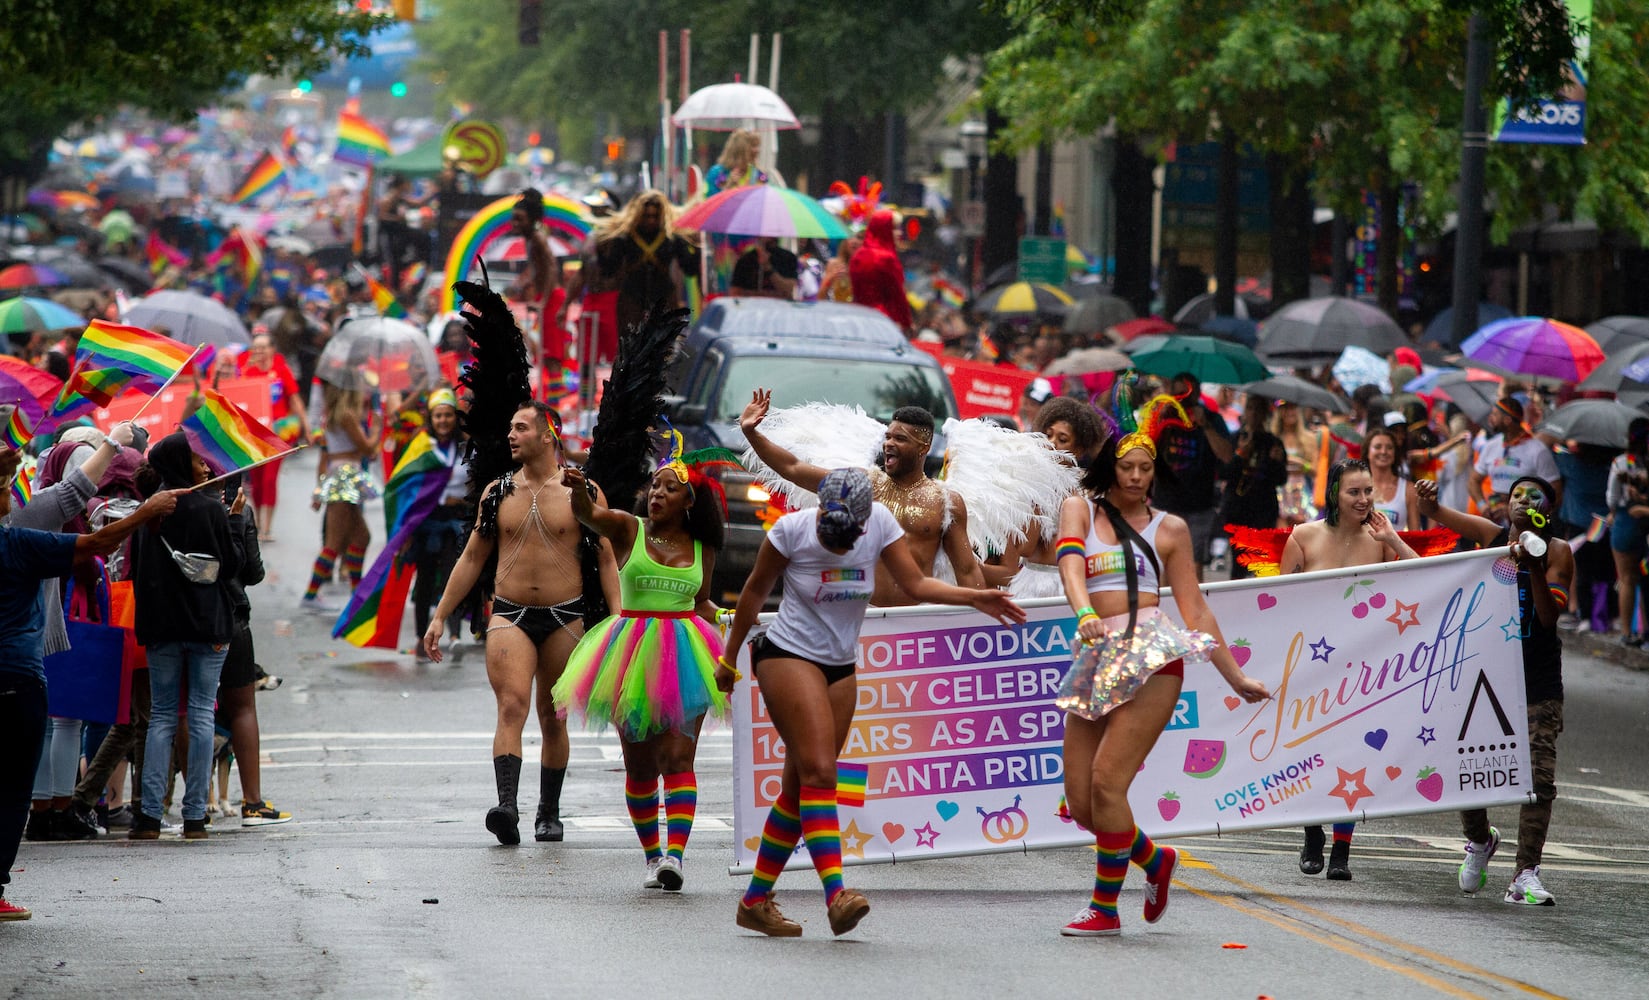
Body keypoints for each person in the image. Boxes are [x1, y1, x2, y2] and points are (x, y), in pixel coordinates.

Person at [719, 467, 1025, 937]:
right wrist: (729, 658)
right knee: (821, 773)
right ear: (818, 511)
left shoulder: (880, 522)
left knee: (800, 788)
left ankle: (754, 901)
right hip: (785, 655)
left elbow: (917, 585)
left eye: (847, 538)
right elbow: (754, 593)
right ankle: (836, 894)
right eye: (830, 535)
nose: (839, 546)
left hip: (840, 665)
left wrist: (975, 597)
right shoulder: (790, 531)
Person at [1053, 415, 1270, 936]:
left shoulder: (1169, 529)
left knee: (1108, 782)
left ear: (1155, 473)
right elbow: (1069, 565)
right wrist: (1083, 613)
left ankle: (1104, 909)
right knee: (1083, 803)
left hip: (1153, 653)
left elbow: (1195, 609)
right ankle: (1154, 861)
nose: (1134, 477)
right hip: (1097, 652)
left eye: (1145, 469)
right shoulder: (1077, 508)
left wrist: (1233, 675)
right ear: (1110, 466)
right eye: (1126, 467)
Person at [423, 403, 618, 845]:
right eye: (510, 427)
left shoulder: (581, 491)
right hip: (509, 615)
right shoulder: (497, 492)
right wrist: (440, 616)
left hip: (565, 617)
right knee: (512, 706)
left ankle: (548, 812)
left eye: (521, 427)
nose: (511, 434)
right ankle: (507, 806)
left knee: (553, 717)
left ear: (548, 435)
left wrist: (619, 618)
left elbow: (606, 557)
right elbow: (472, 557)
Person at [0, 447, 180, 920]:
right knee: (13, 789)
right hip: (16, 679)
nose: (10, 495)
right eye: (3, 488)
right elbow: (94, 547)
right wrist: (145, 512)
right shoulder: (16, 543)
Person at [553, 459, 727, 891]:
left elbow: (701, 601)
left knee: (679, 759)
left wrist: (734, 619)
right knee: (641, 765)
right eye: (654, 485)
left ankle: (675, 857)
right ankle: (653, 858)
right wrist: (577, 489)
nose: (657, 494)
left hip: (688, 657)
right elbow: (588, 515)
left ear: (689, 500)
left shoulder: (704, 547)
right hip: (629, 655)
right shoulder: (629, 529)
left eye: (669, 489)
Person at [1417, 475, 1573, 906]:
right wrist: (1428, 499)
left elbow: (1547, 618)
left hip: (1538, 684)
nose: (1522, 500)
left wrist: (1534, 564)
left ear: (1549, 509)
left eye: (1532, 496)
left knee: (1539, 780)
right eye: (1515, 495)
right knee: (1474, 772)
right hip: (1486, 683)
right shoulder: (1491, 539)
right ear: (1504, 506)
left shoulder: (1559, 552)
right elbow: (1436, 515)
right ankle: (1481, 842)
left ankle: (1525, 874)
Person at [1280, 458, 1419, 881]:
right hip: (1312, 668)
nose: (1362, 500)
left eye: (1368, 492)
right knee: (1310, 751)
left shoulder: (1380, 540)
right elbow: (1274, 605)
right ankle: (1312, 834)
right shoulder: (1303, 536)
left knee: (1354, 757)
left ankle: (1342, 849)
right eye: (1353, 492)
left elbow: (1424, 579)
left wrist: (1393, 539)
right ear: (1334, 495)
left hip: (1364, 669)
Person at [740, 389, 985, 605]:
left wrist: (983, 619)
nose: (889, 444)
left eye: (900, 439)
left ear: (924, 447)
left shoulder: (945, 501)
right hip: (861, 617)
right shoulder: (862, 484)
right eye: (888, 436)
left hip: (914, 623)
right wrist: (752, 433)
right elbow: (794, 468)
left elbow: (966, 570)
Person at [126, 434, 246, 841]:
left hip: (161, 628)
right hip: (208, 625)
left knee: (161, 716)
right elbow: (232, 566)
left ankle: (148, 817)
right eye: (198, 459)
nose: (207, 466)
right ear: (181, 461)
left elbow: (135, 569)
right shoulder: (211, 510)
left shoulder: (149, 511)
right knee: (200, 714)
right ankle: (195, 817)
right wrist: (232, 520)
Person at [211, 473, 289, 826]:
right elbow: (253, 572)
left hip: (181, 619)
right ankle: (252, 803)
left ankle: (188, 806)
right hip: (231, 619)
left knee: (184, 711)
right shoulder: (238, 508)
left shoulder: (174, 501)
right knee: (242, 707)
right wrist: (237, 521)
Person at [586, 191, 697, 366]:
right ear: (638, 215)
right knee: (629, 350)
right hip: (632, 296)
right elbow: (609, 270)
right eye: (646, 216)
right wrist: (601, 250)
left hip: (663, 296)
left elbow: (690, 269)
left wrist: (697, 247)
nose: (651, 220)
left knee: (664, 350)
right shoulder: (625, 237)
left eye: (655, 216)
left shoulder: (671, 238)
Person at [302, 384, 379, 613]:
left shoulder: (336, 417)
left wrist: (319, 489)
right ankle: (310, 594)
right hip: (345, 478)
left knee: (361, 537)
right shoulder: (346, 415)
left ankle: (356, 594)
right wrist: (377, 428)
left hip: (342, 476)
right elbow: (366, 447)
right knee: (334, 543)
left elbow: (328, 457)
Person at [1150, 375, 1234, 580]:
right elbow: (1146, 452)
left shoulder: (1212, 419)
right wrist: (1160, 420)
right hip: (1166, 502)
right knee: (1163, 562)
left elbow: (1227, 455)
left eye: (1186, 395)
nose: (1182, 400)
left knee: (1193, 564)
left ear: (1197, 394)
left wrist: (1205, 425)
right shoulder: (1163, 417)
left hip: (1198, 505)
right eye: (1177, 394)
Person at [411, 390, 472, 661]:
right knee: (424, 581)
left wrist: (461, 499)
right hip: (426, 522)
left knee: (452, 577)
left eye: (448, 414)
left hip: (456, 522)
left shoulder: (467, 447)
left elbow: (476, 483)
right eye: (439, 415)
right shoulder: (421, 446)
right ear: (431, 418)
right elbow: (407, 486)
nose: (444, 420)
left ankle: (456, 635)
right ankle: (419, 636)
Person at [237, 330, 309, 540]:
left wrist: (306, 425)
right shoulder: (247, 371)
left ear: (272, 349)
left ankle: (267, 527)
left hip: (277, 434)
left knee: (270, 479)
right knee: (257, 481)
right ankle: (257, 522)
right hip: (254, 434)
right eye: (255, 347)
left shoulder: (281, 369)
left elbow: (294, 399)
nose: (259, 351)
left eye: (263, 347)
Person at [1219, 393, 1288, 579]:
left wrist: (1276, 461)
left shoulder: (1273, 442)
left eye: (1259, 409)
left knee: (1262, 563)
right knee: (1239, 564)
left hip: (1263, 511)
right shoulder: (1234, 439)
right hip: (1237, 510)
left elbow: (1281, 479)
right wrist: (1241, 454)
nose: (1254, 413)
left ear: (1266, 413)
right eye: (1250, 408)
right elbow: (1225, 473)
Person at [1472, 396, 1562, 521]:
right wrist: (1482, 506)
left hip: (1525, 526)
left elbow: (1555, 493)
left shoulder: (1537, 450)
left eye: (1495, 414)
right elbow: (1473, 480)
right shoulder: (1491, 446)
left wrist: (1524, 512)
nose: (1490, 418)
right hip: (1495, 522)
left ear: (1507, 420)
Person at [505, 188, 563, 356]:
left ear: (531, 219)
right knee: (543, 354)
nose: (515, 223)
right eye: (513, 218)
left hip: (551, 299)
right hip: (544, 298)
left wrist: (543, 301)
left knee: (552, 357)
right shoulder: (530, 237)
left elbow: (552, 267)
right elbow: (537, 268)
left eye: (520, 219)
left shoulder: (538, 237)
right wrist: (521, 283)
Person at [1606, 418, 1649, 644]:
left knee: (1627, 578)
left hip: (1627, 520)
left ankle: (1627, 632)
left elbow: (1611, 498)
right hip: (1642, 524)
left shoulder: (1622, 462)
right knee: (1644, 578)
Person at [848, 210, 912, 332]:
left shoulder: (858, 255)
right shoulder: (886, 258)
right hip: (883, 321)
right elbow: (897, 295)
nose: (899, 233)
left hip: (857, 317)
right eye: (894, 228)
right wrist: (907, 322)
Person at [1272, 399, 1323, 526]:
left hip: (1301, 492)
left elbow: (1314, 470)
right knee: (1280, 537)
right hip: (1278, 490)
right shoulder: (1273, 438)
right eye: (1286, 408)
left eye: (1293, 407)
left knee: (1299, 535)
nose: (1290, 411)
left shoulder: (1309, 438)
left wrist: (1298, 462)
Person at [1364, 425, 1420, 531]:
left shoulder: (1409, 489)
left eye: (1389, 447)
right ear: (1367, 452)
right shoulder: (1357, 487)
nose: (1384, 452)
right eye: (1377, 447)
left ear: (1395, 453)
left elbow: (1415, 534)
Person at [728, 237, 798, 299]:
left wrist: (768, 268)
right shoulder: (745, 260)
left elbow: (789, 290)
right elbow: (735, 292)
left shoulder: (787, 257)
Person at [704, 129, 767, 195]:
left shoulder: (758, 174)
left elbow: (767, 197)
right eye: (753, 145)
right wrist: (728, 187)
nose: (757, 150)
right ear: (740, 149)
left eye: (758, 145)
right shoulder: (718, 172)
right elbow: (710, 201)